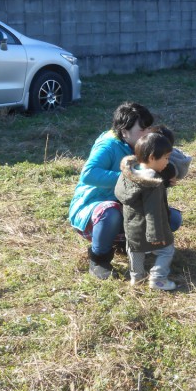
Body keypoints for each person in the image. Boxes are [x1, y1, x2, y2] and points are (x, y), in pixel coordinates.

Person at [69, 102, 154, 279]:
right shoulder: (108, 145)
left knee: (172, 218)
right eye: (142, 130)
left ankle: (127, 245)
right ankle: (99, 259)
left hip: (127, 203)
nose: (147, 134)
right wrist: (130, 175)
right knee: (110, 212)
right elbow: (89, 174)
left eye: (148, 128)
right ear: (124, 132)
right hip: (95, 205)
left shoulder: (142, 144)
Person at [115, 131, 178, 290]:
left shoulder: (128, 173)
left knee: (135, 252)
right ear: (151, 157)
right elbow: (153, 211)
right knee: (166, 250)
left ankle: (137, 278)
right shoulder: (152, 183)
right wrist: (155, 235)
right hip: (150, 228)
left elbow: (118, 193)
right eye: (166, 157)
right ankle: (158, 279)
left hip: (132, 227)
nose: (167, 162)